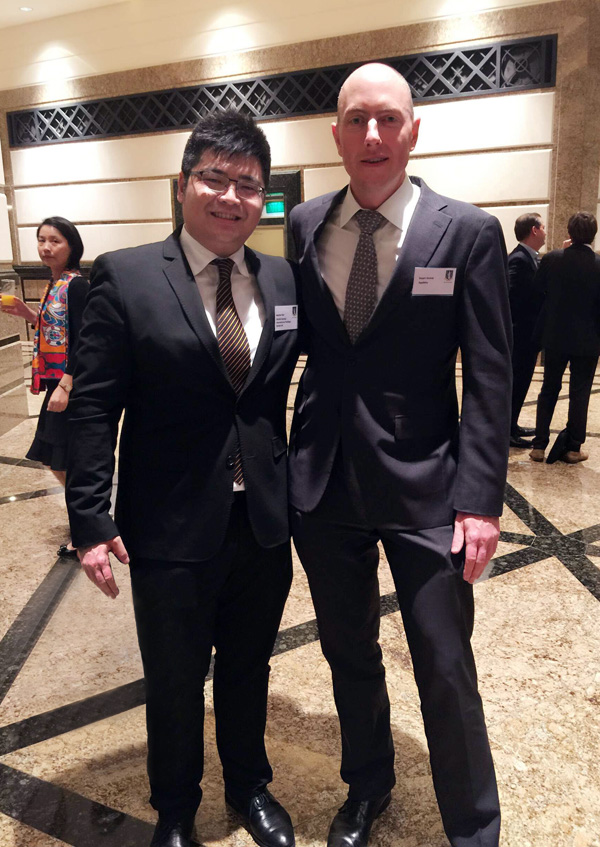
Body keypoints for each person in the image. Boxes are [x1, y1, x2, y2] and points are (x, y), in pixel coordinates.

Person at [288, 63, 512, 847]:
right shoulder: (305, 222)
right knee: (347, 649)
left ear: (414, 131)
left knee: (445, 663)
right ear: (337, 134)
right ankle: (368, 784)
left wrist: (480, 498)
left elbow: (490, 373)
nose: (373, 134)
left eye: (388, 119)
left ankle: (474, 828)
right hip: (324, 482)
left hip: (429, 486)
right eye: (357, 119)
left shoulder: (468, 231)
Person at [65, 111, 300, 847]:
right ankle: (175, 806)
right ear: (183, 184)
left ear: (263, 198)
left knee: (249, 665)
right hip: (168, 523)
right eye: (215, 178)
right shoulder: (127, 275)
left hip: (262, 519)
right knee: (173, 675)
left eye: (249, 185)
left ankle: (249, 784)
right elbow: (94, 406)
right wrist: (90, 519)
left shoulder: (281, 276)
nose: (232, 197)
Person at [1, 216, 88, 556]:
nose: (46, 247)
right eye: (41, 240)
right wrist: (28, 314)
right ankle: (89, 518)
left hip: (68, 384)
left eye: (55, 241)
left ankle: (88, 526)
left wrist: (67, 384)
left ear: (71, 246)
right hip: (57, 382)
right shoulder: (56, 283)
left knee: (64, 459)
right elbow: (57, 330)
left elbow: (84, 339)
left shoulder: (76, 285)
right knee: (56, 457)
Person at [530, 211, 600, 464]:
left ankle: (539, 445)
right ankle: (573, 448)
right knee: (580, 392)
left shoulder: (552, 259)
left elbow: (537, 291)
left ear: (569, 232)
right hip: (588, 340)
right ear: (594, 234)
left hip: (555, 336)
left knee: (549, 388)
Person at [507, 212, 546, 447]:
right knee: (515, 383)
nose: (545, 232)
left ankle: (513, 424)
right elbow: (511, 298)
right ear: (534, 230)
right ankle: (507, 431)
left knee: (522, 382)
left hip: (527, 336)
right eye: (543, 227)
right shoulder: (518, 259)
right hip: (520, 336)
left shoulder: (529, 257)